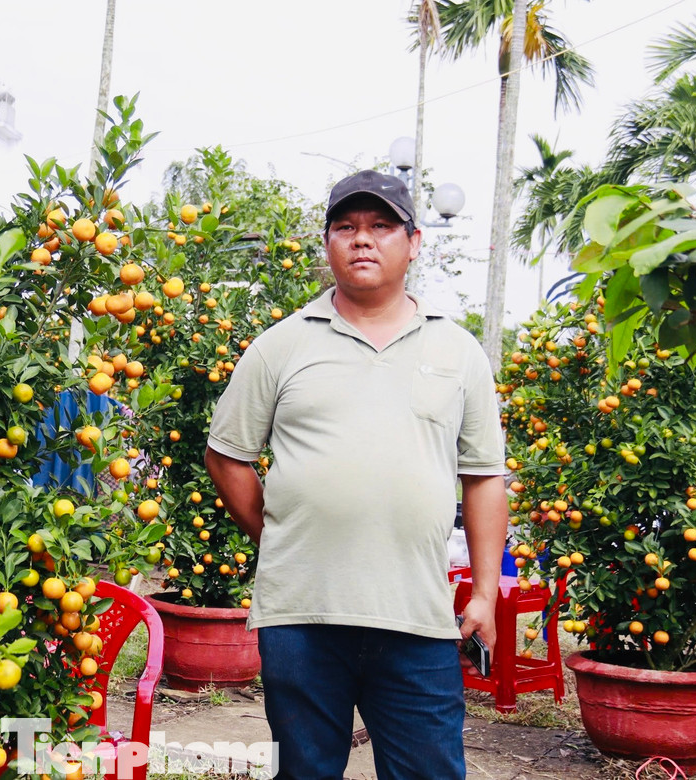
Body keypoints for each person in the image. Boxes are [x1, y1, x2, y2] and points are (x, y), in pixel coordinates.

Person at [204, 170, 509, 780]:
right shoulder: (280, 346)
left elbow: (483, 477)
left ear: (414, 242)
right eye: (345, 227)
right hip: (302, 616)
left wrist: (483, 594)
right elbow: (227, 454)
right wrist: (278, 536)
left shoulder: (457, 352)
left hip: (417, 616)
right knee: (305, 772)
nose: (362, 239)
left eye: (381, 226)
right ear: (327, 244)